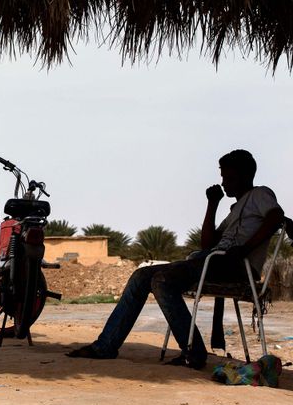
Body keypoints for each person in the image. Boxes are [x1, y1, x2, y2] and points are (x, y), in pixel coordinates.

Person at [67, 150, 284, 369]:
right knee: (142, 275)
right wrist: (212, 204)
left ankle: (194, 352)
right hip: (214, 261)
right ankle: (105, 345)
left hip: (236, 268)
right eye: (223, 178)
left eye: (229, 178)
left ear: (245, 176)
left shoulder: (260, 194)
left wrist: (244, 249)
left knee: (162, 280)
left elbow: (276, 216)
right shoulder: (236, 208)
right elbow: (207, 244)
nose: (224, 183)